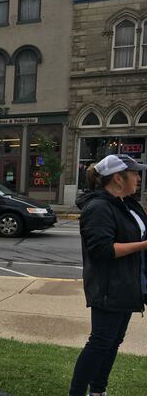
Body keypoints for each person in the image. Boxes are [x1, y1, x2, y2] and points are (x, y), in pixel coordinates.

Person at [69, 154, 147, 396]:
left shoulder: (127, 204)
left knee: (113, 342)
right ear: (117, 178)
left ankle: (98, 391)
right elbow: (102, 250)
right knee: (100, 342)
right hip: (108, 286)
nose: (138, 177)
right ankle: (77, 393)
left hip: (128, 284)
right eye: (134, 173)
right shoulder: (98, 208)